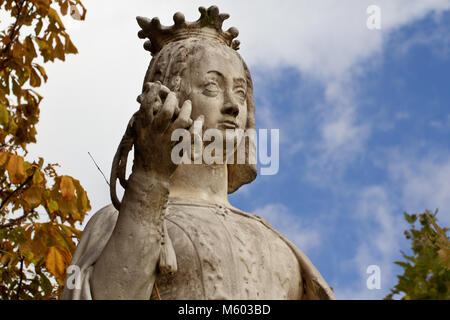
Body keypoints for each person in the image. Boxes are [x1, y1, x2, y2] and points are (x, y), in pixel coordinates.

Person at [62, 5, 336, 300]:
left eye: (241, 92)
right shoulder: (118, 221)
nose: (232, 105)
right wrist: (149, 180)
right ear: (170, 99)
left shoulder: (278, 245)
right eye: (211, 87)